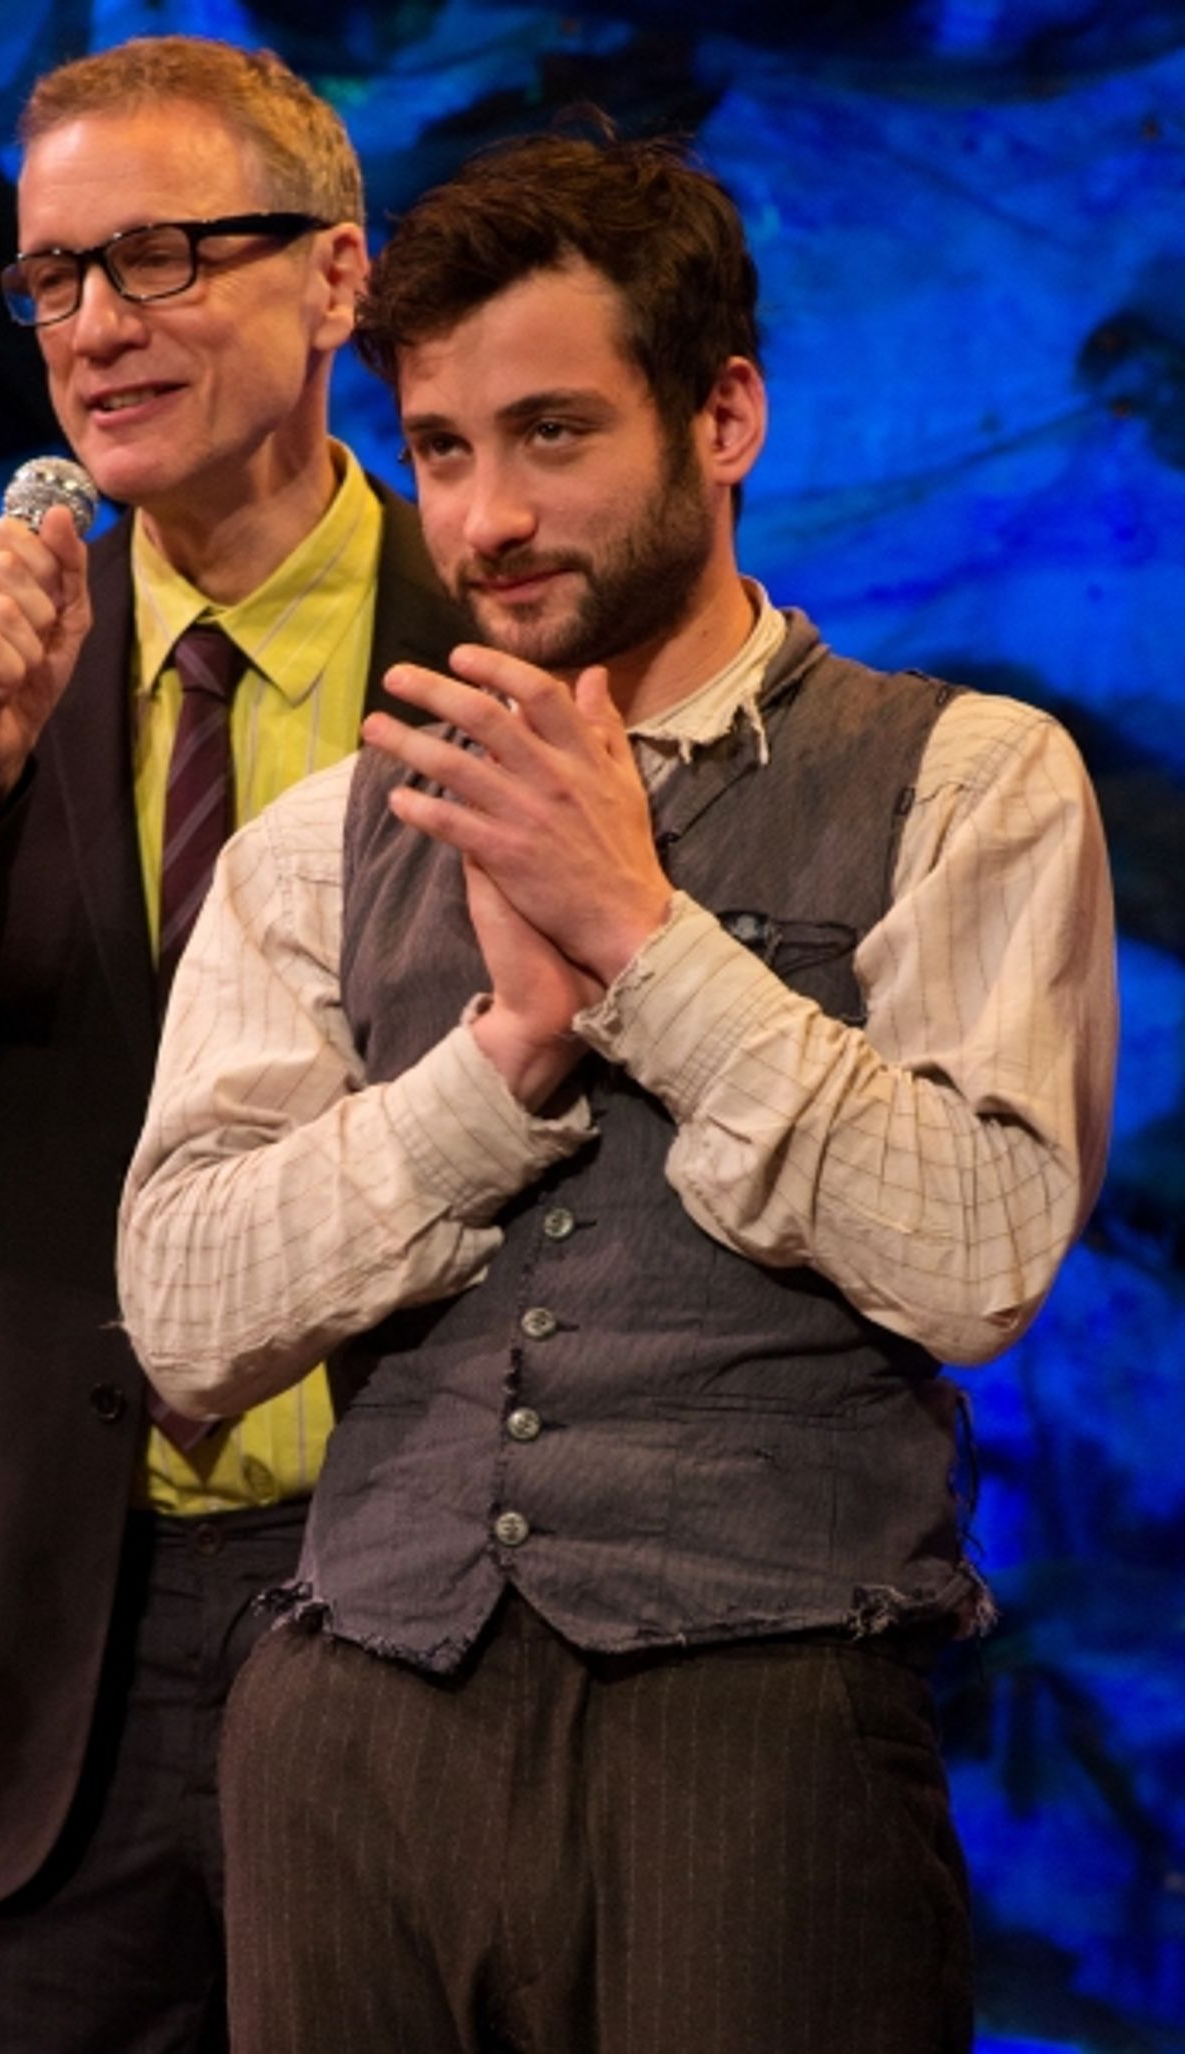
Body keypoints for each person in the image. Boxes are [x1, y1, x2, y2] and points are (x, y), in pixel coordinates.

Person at [117, 131, 1117, 2053]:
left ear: (723, 414)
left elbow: (979, 1256)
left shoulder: (972, 777)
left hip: (753, 1738)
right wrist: (497, 1066)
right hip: (350, 1734)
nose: (486, 515)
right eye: (443, 449)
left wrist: (644, 949)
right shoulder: (323, 843)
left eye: (553, 432)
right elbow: (182, 1317)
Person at [0, 33, 465, 2054]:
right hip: (41, 1670)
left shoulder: (508, 645)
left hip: (418, 1617)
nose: (94, 326)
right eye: (52, 277)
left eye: (159, 257)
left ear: (337, 280)